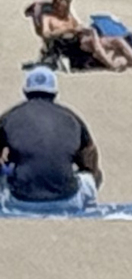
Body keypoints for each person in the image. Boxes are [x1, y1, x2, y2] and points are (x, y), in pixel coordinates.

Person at [1, 65, 99, 208]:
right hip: (67, 199)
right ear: (55, 93)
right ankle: (88, 207)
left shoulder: (9, 117)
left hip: (20, 200)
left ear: (25, 92)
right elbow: (90, 162)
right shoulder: (72, 118)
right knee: (88, 178)